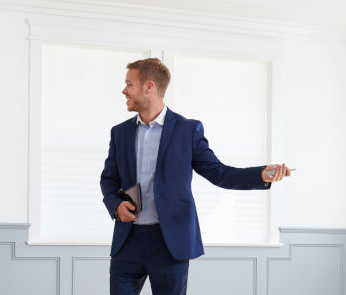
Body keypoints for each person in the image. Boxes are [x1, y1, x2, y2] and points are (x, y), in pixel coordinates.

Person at [100, 58, 291, 295]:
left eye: (129, 83)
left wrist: (260, 174)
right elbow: (108, 179)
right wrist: (116, 205)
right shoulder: (120, 133)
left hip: (169, 243)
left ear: (149, 86)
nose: (124, 90)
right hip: (127, 242)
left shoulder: (187, 130)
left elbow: (219, 173)